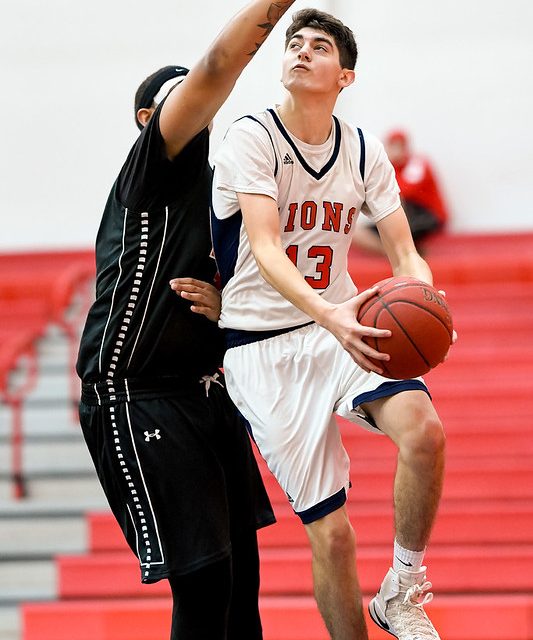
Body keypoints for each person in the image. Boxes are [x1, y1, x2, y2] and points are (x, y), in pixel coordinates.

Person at [211, 8, 451, 640]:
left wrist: (429, 299)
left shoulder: (364, 148)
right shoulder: (250, 135)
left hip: (338, 326)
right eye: (293, 43)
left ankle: (402, 588)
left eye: (318, 47)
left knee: (424, 432)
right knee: (334, 535)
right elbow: (264, 248)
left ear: (344, 76)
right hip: (262, 349)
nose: (300, 52)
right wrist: (331, 315)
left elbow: (403, 253)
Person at [75, 1, 298, 638]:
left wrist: (233, 304)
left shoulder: (229, 195)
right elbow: (219, 65)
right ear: (150, 121)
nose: (202, 105)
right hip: (137, 394)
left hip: (207, 393)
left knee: (242, 591)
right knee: (205, 586)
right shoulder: (151, 171)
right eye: (181, 98)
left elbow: (271, 297)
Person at [353, 128, 449, 255]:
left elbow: (402, 191)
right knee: (354, 232)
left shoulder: (416, 163)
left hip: (426, 214)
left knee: (396, 201)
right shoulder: (385, 167)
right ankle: (396, 254)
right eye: (392, 146)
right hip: (400, 217)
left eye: (399, 146)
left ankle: (403, 252)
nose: (396, 150)